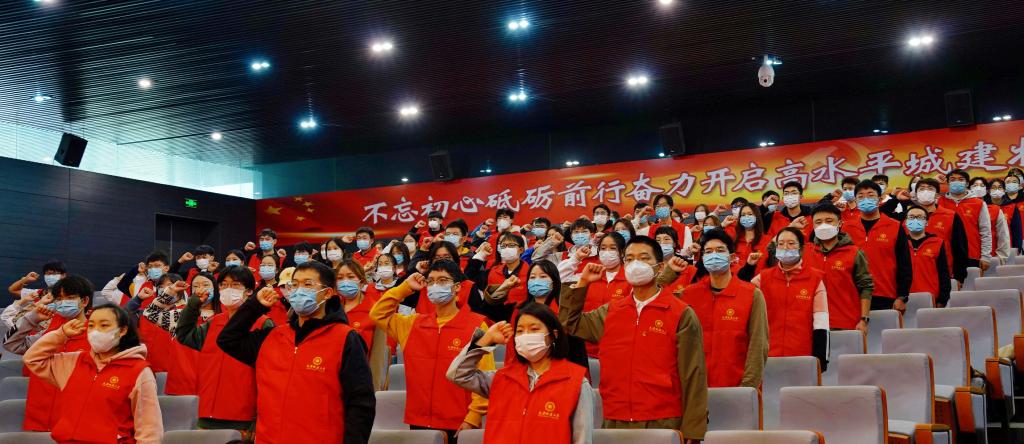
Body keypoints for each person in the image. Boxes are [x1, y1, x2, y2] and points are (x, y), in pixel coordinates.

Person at [559, 236, 708, 442]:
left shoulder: (680, 313)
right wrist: (582, 283)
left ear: (660, 267)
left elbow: (693, 374)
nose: (636, 264)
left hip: (663, 419)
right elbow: (570, 324)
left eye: (644, 258)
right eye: (629, 259)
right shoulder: (611, 311)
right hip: (615, 417)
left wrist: (693, 429)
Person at [217, 260, 375, 443]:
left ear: (327, 293)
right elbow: (227, 340)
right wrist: (255, 305)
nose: (299, 290)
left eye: (307, 284)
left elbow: (360, 404)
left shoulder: (345, 338)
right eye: (294, 285)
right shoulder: (273, 336)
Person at [370, 260, 493, 441]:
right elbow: (377, 314)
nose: (436, 285)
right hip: (419, 420)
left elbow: (483, 377)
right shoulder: (412, 324)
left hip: (460, 422)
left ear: (457, 287)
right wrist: (405, 287)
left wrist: (473, 417)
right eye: (431, 281)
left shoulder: (476, 326)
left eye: (442, 280)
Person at [447, 304, 595, 444]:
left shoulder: (577, 383)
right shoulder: (502, 378)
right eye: (520, 331)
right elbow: (457, 374)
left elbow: (582, 439)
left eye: (534, 329)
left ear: (553, 335)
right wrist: (486, 339)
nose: (526, 335)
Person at [25, 303, 162, 443]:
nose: (95, 331)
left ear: (122, 330)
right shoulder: (76, 361)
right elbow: (32, 359)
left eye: (104, 325)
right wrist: (61, 334)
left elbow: (149, 430)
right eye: (91, 325)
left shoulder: (139, 371)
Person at [174, 267, 272, 437]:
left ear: (249, 291)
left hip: (243, 418)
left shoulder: (263, 323)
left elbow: (268, 374)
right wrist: (193, 304)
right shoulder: (214, 322)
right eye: (224, 285)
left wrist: (258, 419)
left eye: (235, 285)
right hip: (207, 413)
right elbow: (184, 336)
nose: (228, 289)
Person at [676, 229, 768, 388]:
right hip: (695, 389)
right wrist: (670, 273)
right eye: (708, 252)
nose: (714, 255)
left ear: (731, 257)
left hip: (737, 388)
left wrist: (747, 388)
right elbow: (652, 299)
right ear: (703, 259)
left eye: (720, 250)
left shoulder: (752, 295)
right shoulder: (688, 295)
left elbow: (758, 346)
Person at [4, 275, 93, 432]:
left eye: (70, 298)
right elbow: (11, 344)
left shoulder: (97, 337)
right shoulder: (48, 332)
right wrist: (33, 318)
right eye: (59, 299)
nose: (63, 302)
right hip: (39, 417)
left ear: (84, 301)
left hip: (74, 422)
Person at [751, 228, 830, 368]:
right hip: (767, 356)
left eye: (791, 243)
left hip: (802, 356)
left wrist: (820, 359)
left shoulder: (815, 279)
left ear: (801, 249)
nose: (785, 247)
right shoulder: (762, 278)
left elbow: (821, 322)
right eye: (780, 244)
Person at [794, 203, 872, 333]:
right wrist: (791, 228)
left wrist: (864, 319)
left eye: (829, 221)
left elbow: (866, 287)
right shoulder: (805, 251)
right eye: (818, 222)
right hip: (811, 325)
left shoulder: (854, 253)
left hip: (845, 323)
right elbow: (773, 251)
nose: (823, 225)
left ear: (840, 223)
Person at [842, 180, 912, 311]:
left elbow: (904, 264)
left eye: (870, 195)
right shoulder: (846, 228)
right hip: (852, 296)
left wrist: (902, 296)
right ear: (855, 201)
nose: (865, 199)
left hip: (886, 295)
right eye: (861, 196)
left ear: (879, 200)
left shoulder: (895, 226)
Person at [334, 259, 391, 390]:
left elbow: (377, 356)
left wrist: (372, 389)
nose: (345, 282)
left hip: (359, 380)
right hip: (332, 378)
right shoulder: (331, 308)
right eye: (340, 278)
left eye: (350, 277)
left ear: (361, 280)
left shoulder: (375, 310)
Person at [939, 169, 993, 271]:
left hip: (972, 253)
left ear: (967, 183)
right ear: (948, 183)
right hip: (945, 255)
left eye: (961, 179)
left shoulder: (978, 203)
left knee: (971, 281)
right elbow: (919, 201)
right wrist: (935, 181)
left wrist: (986, 256)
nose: (956, 182)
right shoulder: (940, 202)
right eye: (953, 179)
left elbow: (985, 231)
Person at [904, 205, 952, 307]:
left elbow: (944, 274)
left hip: (931, 298)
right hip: (904, 299)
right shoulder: (899, 244)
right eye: (911, 217)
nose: (915, 220)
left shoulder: (937, 243)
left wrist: (942, 300)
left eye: (920, 217)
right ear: (906, 221)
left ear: (926, 222)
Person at [972, 177, 1013, 261]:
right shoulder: (962, 209)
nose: (978, 188)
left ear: (987, 190)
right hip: (970, 255)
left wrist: (1001, 257)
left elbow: (1003, 236)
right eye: (975, 185)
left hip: (992, 256)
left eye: (982, 185)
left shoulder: (995, 210)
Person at [732, 202, 769, 274]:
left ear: (756, 216)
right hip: (738, 279)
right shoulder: (734, 240)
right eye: (743, 215)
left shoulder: (767, 240)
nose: (746, 217)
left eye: (750, 214)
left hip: (759, 280)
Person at [988, 178, 1023, 253]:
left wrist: (1017, 249)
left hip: (1007, 248)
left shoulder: (1012, 207)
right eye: (993, 188)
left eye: (1000, 187)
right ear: (988, 191)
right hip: (988, 249)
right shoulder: (984, 207)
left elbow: (1017, 230)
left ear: (1004, 190)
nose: (997, 190)